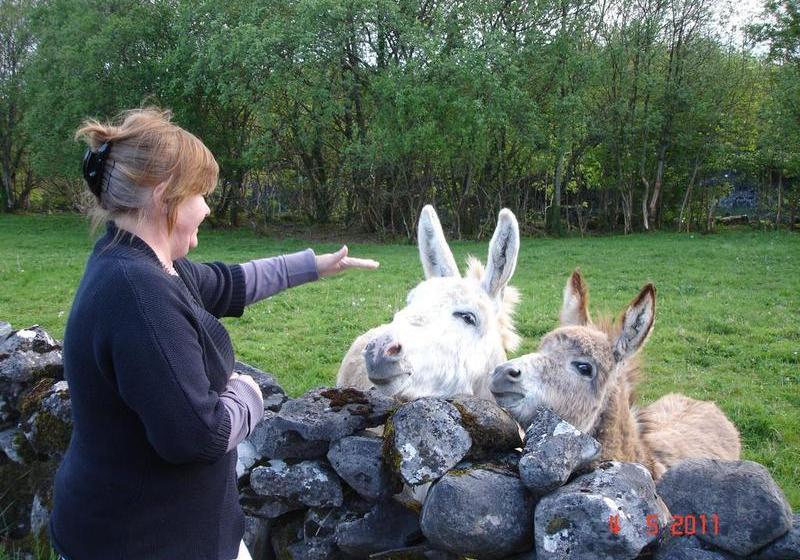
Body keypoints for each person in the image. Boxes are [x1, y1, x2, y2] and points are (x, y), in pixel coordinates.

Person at [49, 107, 379, 560]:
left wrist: (313, 266)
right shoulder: (138, 294)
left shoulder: (141, 262)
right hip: (139, 541)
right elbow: (199, 436)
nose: (206, 207)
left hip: (169, 531)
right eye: (199, 195)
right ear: (164, 194)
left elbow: (227, 283)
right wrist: (248, 393)